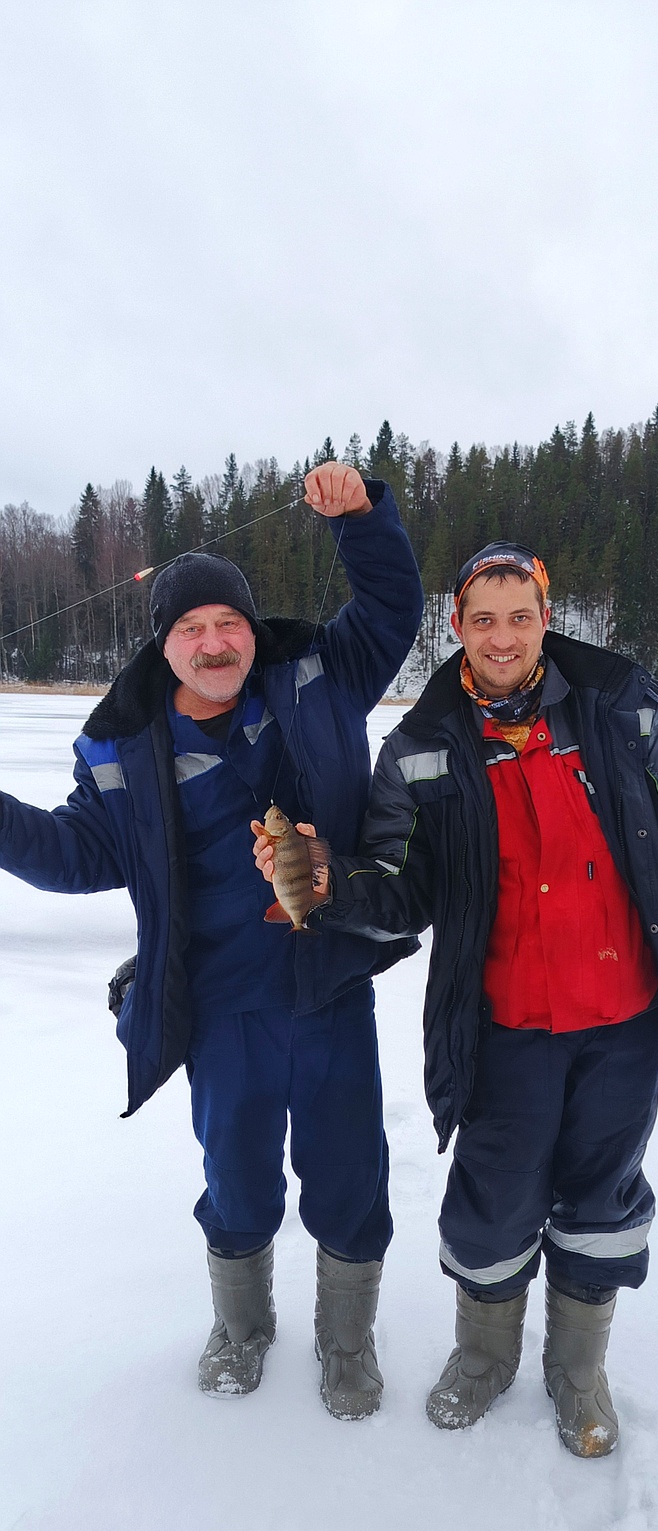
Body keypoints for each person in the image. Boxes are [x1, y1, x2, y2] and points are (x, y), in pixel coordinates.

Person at [257, 541, 658, 1455]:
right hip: (504, 1030)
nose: (502, 638)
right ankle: (485, 1357)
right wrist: (329, 880)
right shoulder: (423, 748)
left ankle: (577, 1370)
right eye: (481, 619)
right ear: (457, 629)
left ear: (546, 618)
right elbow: (402, 889)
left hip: (626, 1026)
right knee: (494, 1201)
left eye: (520, 617)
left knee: (601, 1197)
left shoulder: (624, 711)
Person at [0, 462, 423, 1417]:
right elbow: (75, 852)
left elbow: (392, 609)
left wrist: (362, 519)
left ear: (250, 627)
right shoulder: (119, 745)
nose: (214, 641)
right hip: (221, 1002)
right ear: (165, 645)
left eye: (228, 622)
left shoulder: (315, 675)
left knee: (351, 1167)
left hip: (327, 981)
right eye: (190, 628)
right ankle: (241, 1326)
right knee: (235, 1174)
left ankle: (347, 1339)